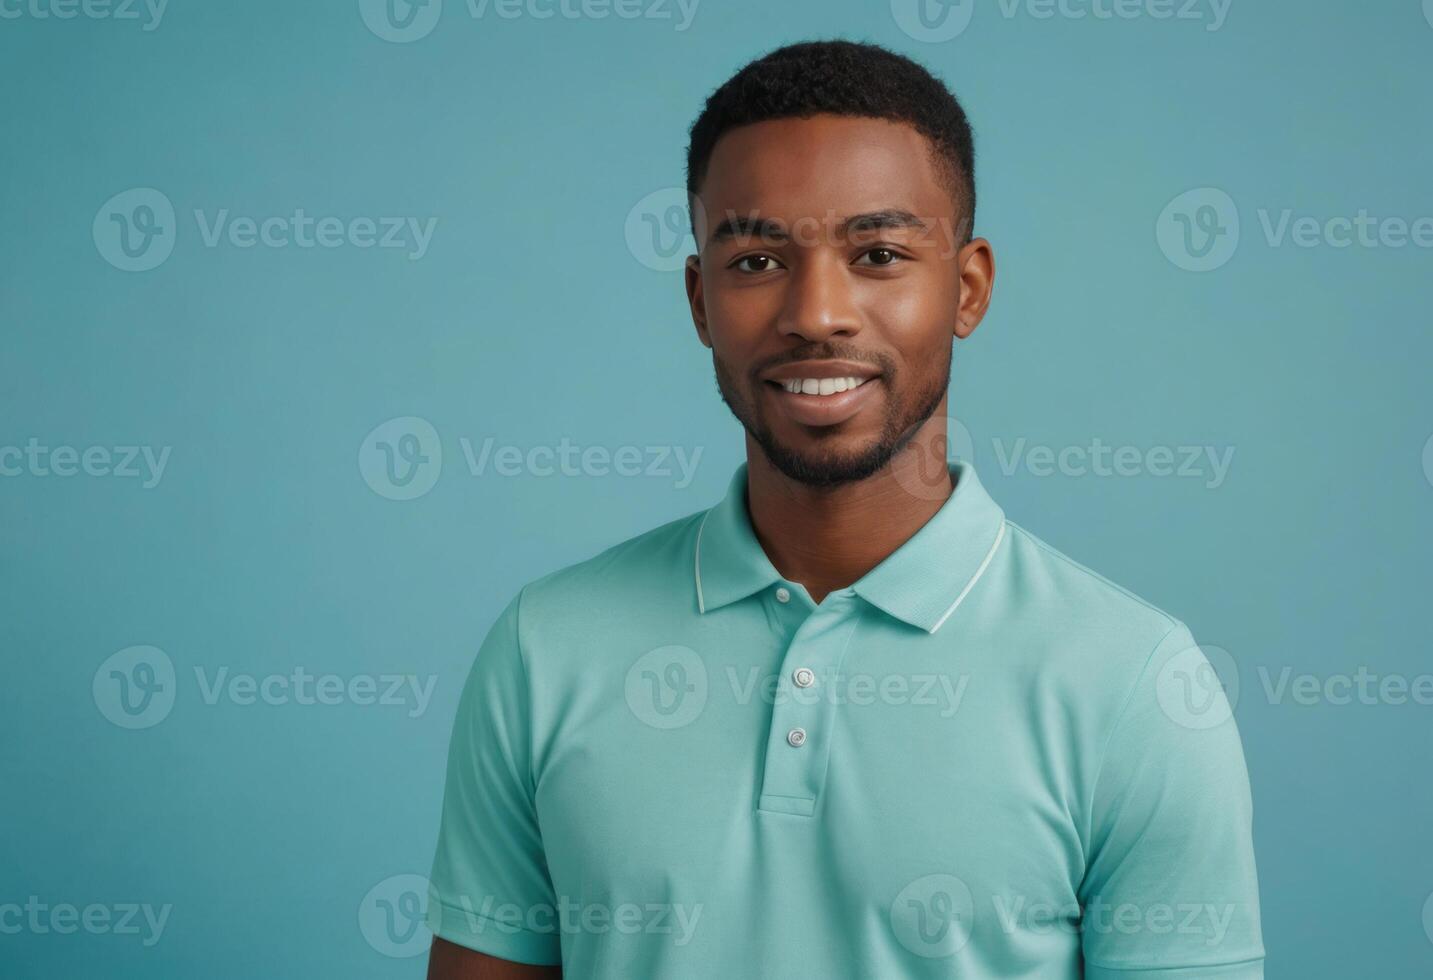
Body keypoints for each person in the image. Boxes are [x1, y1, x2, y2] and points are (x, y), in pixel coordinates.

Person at [425, 39, 1264, 980]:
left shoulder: (1135, 686)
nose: (816, 311)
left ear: (968, 288)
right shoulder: (545, 648)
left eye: (877, 253)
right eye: (754, 260)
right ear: (699, 300)